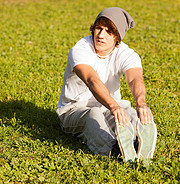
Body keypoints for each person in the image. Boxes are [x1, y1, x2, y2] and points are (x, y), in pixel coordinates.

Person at [57, 7, 157, 162]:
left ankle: (137, 142)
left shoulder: (127, 54)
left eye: (109, 31)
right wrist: (113, 106)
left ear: (118, 37)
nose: (101, 35)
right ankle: (114, 150)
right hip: (74, 109)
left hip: (109, 107)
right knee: (93, 115)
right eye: (98, 28)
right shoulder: (80, 49)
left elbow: (135, 79)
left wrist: (141, 103)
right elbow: (92, 80)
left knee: (129, 113)